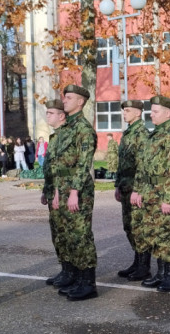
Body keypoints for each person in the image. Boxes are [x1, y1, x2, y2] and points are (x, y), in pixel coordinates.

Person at [130, 95, 170, 292]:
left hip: (163, 194)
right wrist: (137, 189)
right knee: (153, 233)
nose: (151, 115)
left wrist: (168, 199)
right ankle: (160, 273)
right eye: (151, 111)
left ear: (168, 113)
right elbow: (142, 167)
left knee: (166, 235)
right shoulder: (152, 136)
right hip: (148, 193)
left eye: (155, 111)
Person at [48, 84, 98, 301]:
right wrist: (58, 191)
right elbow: (59, 165)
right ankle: (76, 277)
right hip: (64, 188)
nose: (64, 100)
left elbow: (83, 164)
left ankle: (88, 284)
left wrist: (74, 192)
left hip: (79, 191)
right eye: (64, 97)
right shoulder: (67, 128)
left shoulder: (84, 130)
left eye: (69, 98)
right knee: (68, 235)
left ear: (80, 102)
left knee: (80, 235)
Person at [114, 100, 149, 280]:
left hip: (136, 188)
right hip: (126, 186)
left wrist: (139, 189)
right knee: (129, 226)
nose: (124, 113)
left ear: (138, 113)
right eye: (124, 111)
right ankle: (137, 261)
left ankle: (144, 266)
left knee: (138, 227)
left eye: (127, 111)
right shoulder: (127, 134)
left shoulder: (141, 134)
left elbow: (143, 165)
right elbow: (122, 164)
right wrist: (117, 185)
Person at [41, 99, 70, 289]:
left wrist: (59, 190)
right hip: (54, 191)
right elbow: (51, 168)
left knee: (67, 234)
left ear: (61, 116)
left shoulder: (66, 135)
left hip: (64, 191)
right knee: (58, 234)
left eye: (51, 113)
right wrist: (47, 189)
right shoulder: (55, 136)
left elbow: (65, 168)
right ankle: (66, 270)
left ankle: (72, 273)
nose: (47, 116)